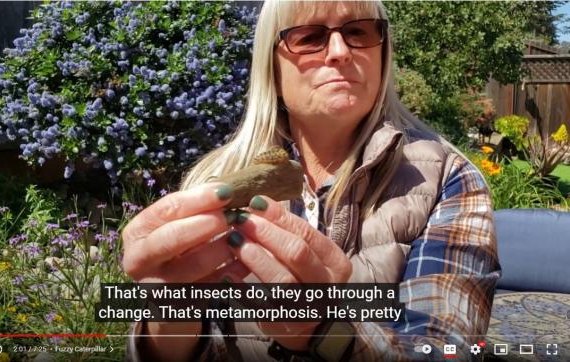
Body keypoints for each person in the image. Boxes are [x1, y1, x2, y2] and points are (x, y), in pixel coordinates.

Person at [123, 1, 500, 361]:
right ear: (271, 66)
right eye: (308, 37)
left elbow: (447, 347)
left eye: (359, 31)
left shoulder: (448, 177)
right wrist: (168, 316)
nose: (339, 51)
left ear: (383, 54)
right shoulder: (213, 180)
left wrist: (329, 333)